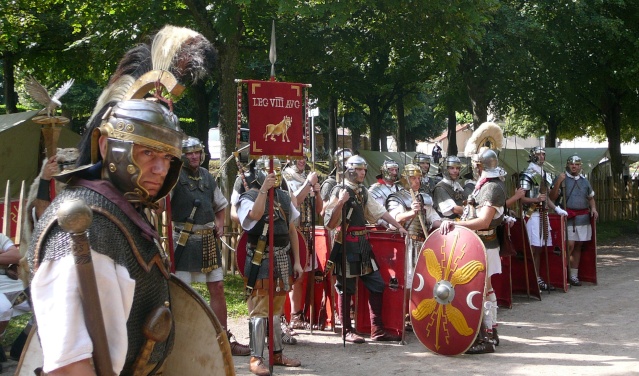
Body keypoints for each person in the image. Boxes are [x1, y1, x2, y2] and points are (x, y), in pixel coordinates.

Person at [27, 98, 186, 374]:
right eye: (147, 153)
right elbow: (69, 364)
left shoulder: (119, 214)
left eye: (167, 157)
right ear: (105, 145)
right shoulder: (87, 226)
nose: (161, 170)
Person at [170, 136, 249, 356]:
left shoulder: (206, 176)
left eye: (196, 152)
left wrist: (220, 224)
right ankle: (183, 340)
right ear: (182, 156)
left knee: (218, 288)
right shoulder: (174, 177)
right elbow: (160, 207)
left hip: (207, 240)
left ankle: (222, 336)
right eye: (189, 153)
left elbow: (220, 205)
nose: (193, 156)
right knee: (183, 293)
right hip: (183, 241)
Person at [323, 155, 408, 344]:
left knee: (377, 284)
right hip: (345, 243)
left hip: (362, 244)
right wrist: (340, 202)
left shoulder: (362, 191)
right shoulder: (339, 190)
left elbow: (379, 211)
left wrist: (398, 226)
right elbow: (328, 222)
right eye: (360, 170)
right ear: (350, 170)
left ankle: (377, 330)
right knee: (346, 288)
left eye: (364, 170)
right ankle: (346, 330)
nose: (363, 173)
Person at [237, 156, 303, 376]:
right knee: (258, 310)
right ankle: (256, 358)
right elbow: (254, 216)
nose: (272, 175)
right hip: (259, 258)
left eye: (273, 171)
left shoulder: (284, 197)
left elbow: (292, 230)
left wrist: (298, 261)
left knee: (276, 311)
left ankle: (276, 354)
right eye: (267, 170)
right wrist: (264, 191)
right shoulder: (248, 197)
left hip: (282, 258)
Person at [442, 147, 507, 354]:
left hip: (485, 244)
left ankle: (485, 337)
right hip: (479, 243)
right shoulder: (485, 185)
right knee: (485, 288)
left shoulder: (492, 187)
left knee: (480, 290)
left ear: (479, 165)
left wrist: (458, 226)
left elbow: (484, 220)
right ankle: (490, 333)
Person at [519, 146, 568, 292]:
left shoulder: (544, 173)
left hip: (543, 214)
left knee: (539, 249)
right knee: (533, 248)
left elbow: (547, 198)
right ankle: (532, 279)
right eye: (538, 154)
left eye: (543, 154)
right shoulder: (527, 174)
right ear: (533, 156)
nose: (541, 157)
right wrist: (535, 198)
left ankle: (538, 277)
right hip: (532, 215)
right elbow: (521, 199)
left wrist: (557, 209)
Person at [282, 155, 322, 332]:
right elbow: (295, 201)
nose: (302, 161)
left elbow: (319, 209)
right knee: (288, 275)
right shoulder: (286, 176)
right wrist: (308, 183)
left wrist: (317, 191)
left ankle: (296, 315)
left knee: (301, 276)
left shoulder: (307, 177)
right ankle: (284, 316)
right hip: (293, 230)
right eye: (298, 158)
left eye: (304, 158)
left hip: (307, 231)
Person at [549, 155, 598, 286]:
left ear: (580, 166)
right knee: (569, 245)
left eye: (576, 164)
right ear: (568, 165)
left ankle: (574, 275)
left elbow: (590, 198)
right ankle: (562, 273)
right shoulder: (562, 179)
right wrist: (559, 181)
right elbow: (552, 197)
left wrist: (593, 209)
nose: (574, 166)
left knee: (578, 246)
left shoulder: (584, 181)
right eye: (572, 164)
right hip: (568, 216)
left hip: (583, 218)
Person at [0, 233, 29, 370]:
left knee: (41, 303)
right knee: (3, 309)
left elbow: (16, 256)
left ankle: (19, 348)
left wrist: (8, 258)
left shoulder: (0, 237)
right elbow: (9, 256)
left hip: (13, 286)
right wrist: (3, 257)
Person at [433, 155, 465, 220]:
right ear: (445, 169)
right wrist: (472, 211)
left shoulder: (457, 185)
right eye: (452, 168)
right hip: (445, 223)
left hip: (458, 220)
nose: (455, 171)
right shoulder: (440, 187)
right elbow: (454, 209)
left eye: (457, 168)